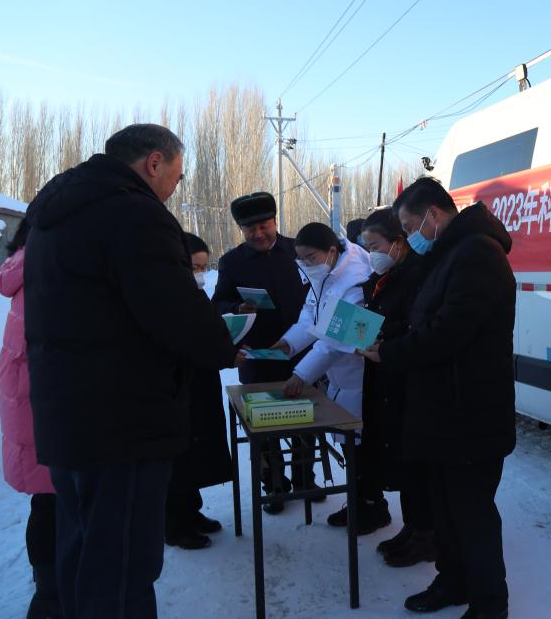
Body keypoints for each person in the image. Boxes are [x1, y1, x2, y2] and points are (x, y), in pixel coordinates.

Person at [24, 124, 240, 618]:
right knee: (120, 569)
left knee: (82, 554)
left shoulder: (59, 215)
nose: (175, 189)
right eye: (177, 177)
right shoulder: (134, 214)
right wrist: (221, 342)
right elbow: (176, 313)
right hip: (123, 425)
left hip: (70, 416)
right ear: (154, 162)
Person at [362, 178, 516, 619]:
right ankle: (453, 581)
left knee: (472, 513)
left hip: (471, 412)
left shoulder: (478, 253)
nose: (411, 236)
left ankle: (489, 604)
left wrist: (391, 353)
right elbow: (422, 321)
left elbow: (449, 332)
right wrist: (388, 339)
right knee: (446, 510)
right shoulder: (448, 253)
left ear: (432, 214)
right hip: (443, 411)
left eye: (411, 226)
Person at [268, 223, 389, 532]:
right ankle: (359, 502)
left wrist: (301, 374)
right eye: (301, 259)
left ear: (332, 251)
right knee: (351, 446)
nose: (306, 264)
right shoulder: (324, 272)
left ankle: (371, 507)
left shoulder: (357, 278)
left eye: (310, 257)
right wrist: (288, 343)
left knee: (362, 447)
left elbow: (336, 339)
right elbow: (311, 317)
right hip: (340, 379)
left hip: (359, 375)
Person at [212, 192, 316, 514]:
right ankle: (272, 484)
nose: (258, 234)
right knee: (263, 424)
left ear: (275, 221)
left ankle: (305, 479)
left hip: (302, 353)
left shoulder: (298, 251)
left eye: (264, 226)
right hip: (258, 355)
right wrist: (237, 307)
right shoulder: (232, 261)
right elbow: (218, 303)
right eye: (249, 229)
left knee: (306, 417)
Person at [357, 208, 436, 567]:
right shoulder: (386, 276)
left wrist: (382, 337)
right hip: (385, 373)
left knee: (416, 461)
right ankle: (413, 526)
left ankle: (427, 534)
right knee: (401, 458)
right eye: (366, 247)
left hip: (408, 379)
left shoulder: (420, 274)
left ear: (399, 243)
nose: (371, 254)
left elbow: (413, 324)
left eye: (375, 246)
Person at [0, 219, 62, 618]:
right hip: (45, 409)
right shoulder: (48, 270)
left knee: (49, 503)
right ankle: (51, 596)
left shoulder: (25, 267)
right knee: (56, 506)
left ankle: (49, 589)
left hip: (32, 409)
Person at [163, 233, 233, 550]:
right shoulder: (163, 297)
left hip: (199, 382)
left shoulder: (192, 294)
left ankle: (191, 511)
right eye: (194, 267)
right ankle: (174, 525)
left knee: (196, 449)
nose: (200, 275)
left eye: (204, 267)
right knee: (178, 457)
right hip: (176, 388)